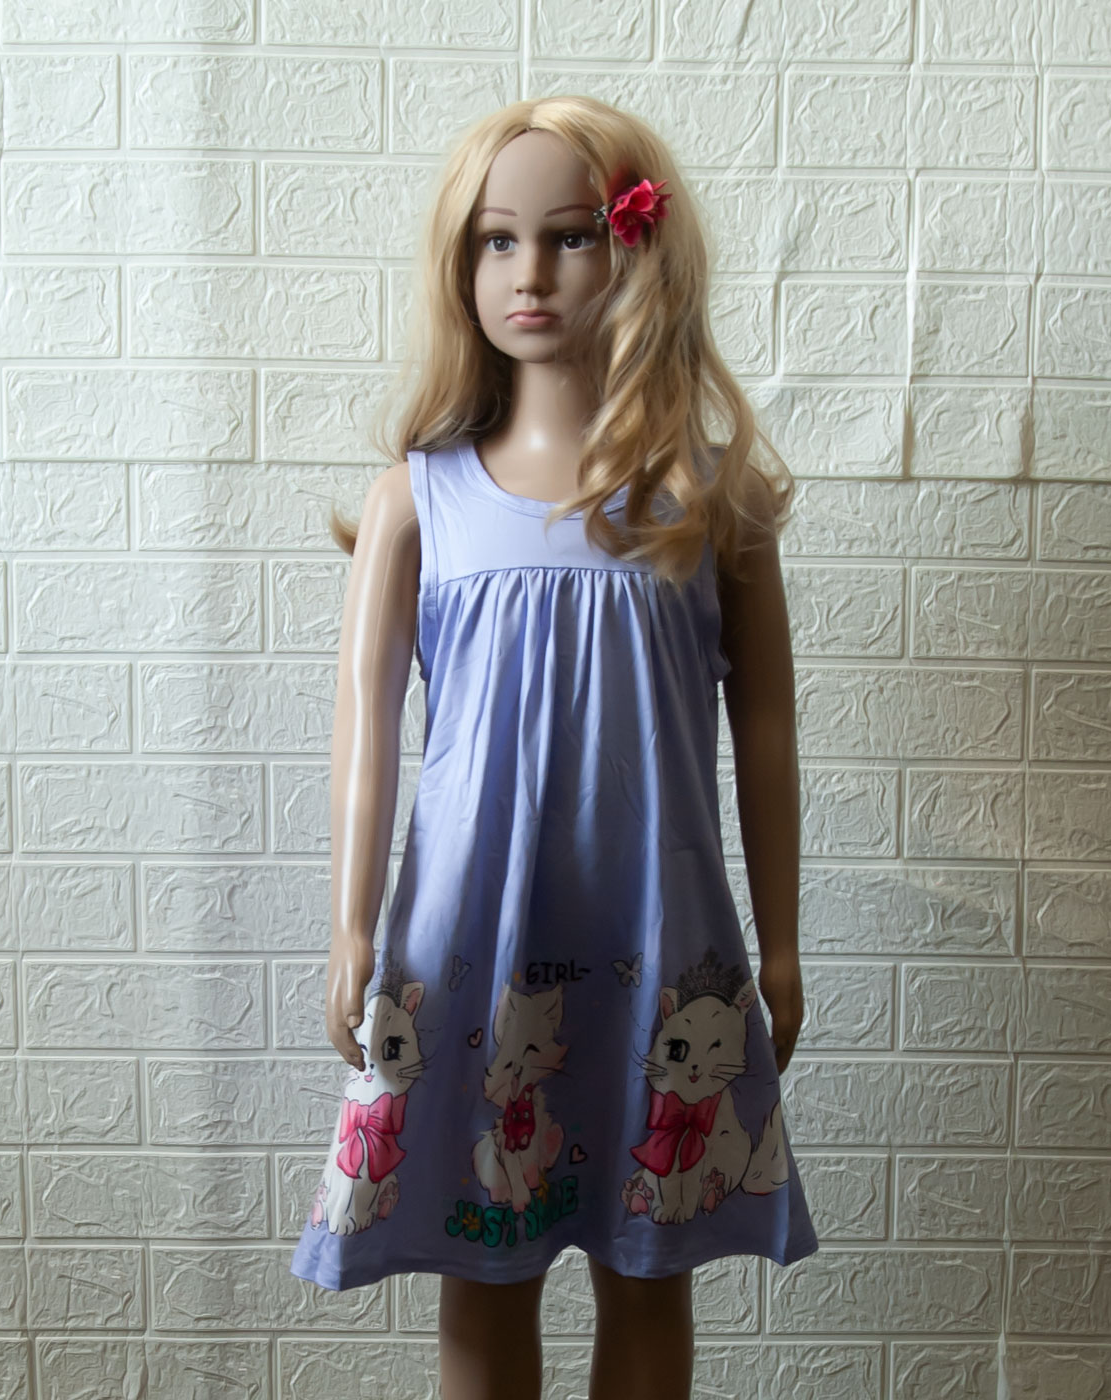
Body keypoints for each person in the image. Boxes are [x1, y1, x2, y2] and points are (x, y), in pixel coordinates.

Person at [289, 94, 818, 1400]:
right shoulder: (419, 499)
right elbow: (366, 719)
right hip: (474, 935)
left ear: (636, 250)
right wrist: (352, 928)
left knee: (650, 1270)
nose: (529, 272)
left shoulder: (712, 499)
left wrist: (781, 942)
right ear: (460, 261)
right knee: (483, 1269)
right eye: (496, 239)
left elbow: (766, 727)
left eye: (571, 235)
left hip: (655, 932)